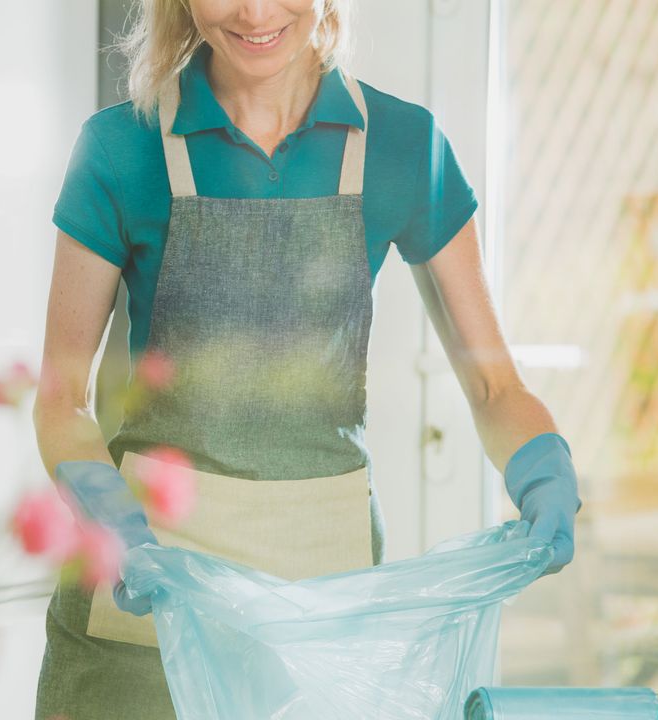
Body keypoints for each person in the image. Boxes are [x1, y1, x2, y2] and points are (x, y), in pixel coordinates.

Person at [30, 1, 582, 717]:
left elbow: (493, 384)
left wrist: (543, 471)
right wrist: (118, 527)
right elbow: (59, 396)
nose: (256, 12)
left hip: (323, 627)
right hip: (148, 606)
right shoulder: (121, 148)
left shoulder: (402, 146)